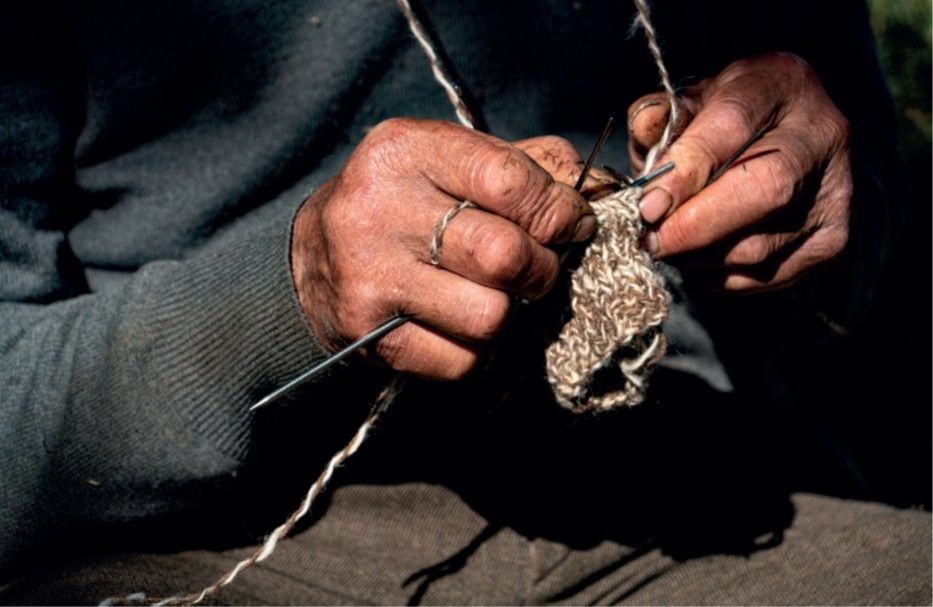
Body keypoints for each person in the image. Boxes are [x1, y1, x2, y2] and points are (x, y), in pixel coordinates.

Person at [0, 0, 928, 604]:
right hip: (211, 541)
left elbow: (866, 247)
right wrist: (285, 299)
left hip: (699, 494)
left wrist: (814, 223)